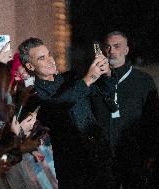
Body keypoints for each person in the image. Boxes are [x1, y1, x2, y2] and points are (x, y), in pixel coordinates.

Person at [18, 37, 115, 188]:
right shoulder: (34, 95)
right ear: (30, 66)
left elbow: (105, 91)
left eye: (49, 54)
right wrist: (88, 79)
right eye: (42, 58)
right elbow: (58, 105)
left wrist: (107, 73)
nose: (50, 60)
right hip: (73, 169)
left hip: (99, 157)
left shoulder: (70, 78)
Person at [91, 31, 159, 188]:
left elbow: (154, 119)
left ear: (126, 50)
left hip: (134, 155)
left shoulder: (143, 81)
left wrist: (152, 153)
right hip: (103, 157)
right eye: (108, 47)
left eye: (117, 46)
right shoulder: (94, 81)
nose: (112, 51)